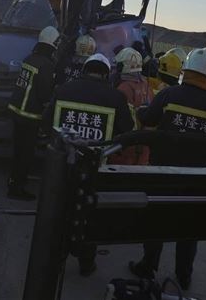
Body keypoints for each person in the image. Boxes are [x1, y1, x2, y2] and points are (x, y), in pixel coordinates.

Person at [129, 47, 206, 290]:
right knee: (188, 228)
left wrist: (142, 111)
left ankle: (148, 266)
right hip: (196, 179)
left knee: (156, 222)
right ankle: (184, 276)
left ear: (187, 70)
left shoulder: (168, 95)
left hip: (162, 174)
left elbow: (149, 119)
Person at [42, 53, 135, 276]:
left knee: (60, 212)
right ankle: (86, 263)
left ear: (85, 70)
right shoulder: (116, 97)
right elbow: (127, 130)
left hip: (62, 168)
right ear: (106, 74)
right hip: (94, 170)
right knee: (88, 215)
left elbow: (46, 124)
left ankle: (56, 258)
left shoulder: (64, 90)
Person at [6, 26, 60, 200]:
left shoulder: (30, 58)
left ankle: (13, 181)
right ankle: (17, 189)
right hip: (30, 116)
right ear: (53, 44)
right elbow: (44, 94)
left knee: (18, 151)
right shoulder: (47, 65)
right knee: (26, 154)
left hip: (16, 112)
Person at [108, 47, 154, 165]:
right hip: (144, 149)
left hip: (125, 151)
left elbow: (122, 122)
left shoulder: (124, 88)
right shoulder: (146, 86)